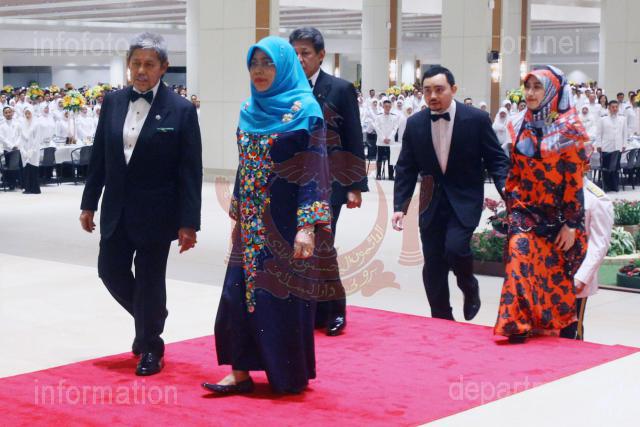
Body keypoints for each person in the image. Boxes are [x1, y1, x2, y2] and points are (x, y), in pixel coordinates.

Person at [204, 36, 330, 395]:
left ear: (285, 66)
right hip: (251, 221)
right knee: (238, 293)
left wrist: (307, 226)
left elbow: (314, 170)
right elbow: (244, 167)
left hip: (286, 222)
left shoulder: (307, 111)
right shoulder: (249, 108)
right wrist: (237, 216)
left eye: (268, 63)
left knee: (280, 296)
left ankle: (287, 375)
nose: (259, 71)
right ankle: (240, 371)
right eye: (254, 63)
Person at [79, 32, 202, 376]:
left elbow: (190, 170)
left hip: (157, 213)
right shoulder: (113, 101)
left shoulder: (181, 109)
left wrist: (189, 222)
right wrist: (89, 203)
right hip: (116, 209)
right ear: (128, 65)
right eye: (136, 63)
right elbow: (100, 156)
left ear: (164, 67)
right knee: (109, 271)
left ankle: (150, 347)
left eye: (149, 64)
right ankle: (152, 317)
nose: (141, 70)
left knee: (150, 280)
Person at [392, 65, 509, 321]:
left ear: (453, 89)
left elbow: (496, 159)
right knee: (433, 262)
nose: (432, 96)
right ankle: (441, 318)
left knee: (455, 248)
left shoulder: (476, 119)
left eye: (439, 89)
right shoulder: (415, 124)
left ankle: (469, 285)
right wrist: (400, 206)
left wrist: (506, 189)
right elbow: (406, 168)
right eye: (427, 91)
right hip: (430, 201)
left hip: (465, 198)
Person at [494, 65, 589, 343]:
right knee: (518, 258)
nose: (531, 93)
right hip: (525, 212)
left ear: (552, 92)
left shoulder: (569, 131)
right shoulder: (518, 124)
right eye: (528, 86)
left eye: (537, 87)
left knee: (553, 277)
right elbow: (514, 171)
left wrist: (571, 224)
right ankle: (515, 324)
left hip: (558, 218)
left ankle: (555, 328)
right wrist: (510, 201)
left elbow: (574, 182)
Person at [290, 27, 368, 336]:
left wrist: (355, 185)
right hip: (293, 180)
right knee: (298, 247)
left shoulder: (340, 89)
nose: (300, 59)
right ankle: (310, 309)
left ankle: (335, 309)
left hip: (329, 181)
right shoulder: (284, 88)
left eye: (305, 53)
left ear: (321, 55)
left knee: (322, 245)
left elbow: (353, 136)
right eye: (295, 53)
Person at [560, 175, 613, 340]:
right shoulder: (553, 189)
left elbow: (599, 244)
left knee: (570, 331)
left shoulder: (596, 199)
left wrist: (581, 278)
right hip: (548, 274)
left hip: (575, 275)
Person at [597, 100, 627, 192]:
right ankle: (606, 186)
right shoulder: (603, 119)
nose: (615, 109)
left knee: (616, 168)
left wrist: (624, 144)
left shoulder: (623, 119)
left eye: (616, 107)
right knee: (606, 168)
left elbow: (625, 133)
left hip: (618, 146)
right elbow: (599, 133)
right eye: (613, 107)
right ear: (609, 108)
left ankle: (615, 186)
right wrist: (598, 145)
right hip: (606, 147)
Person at [17, 107, 41, 194]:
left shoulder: (36, 124)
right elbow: (21, 138)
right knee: (26, 169)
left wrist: (32, 150)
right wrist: (22, 150)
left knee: (33, 168)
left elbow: (37, 139)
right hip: (25, 151)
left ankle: (35, 189)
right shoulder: (22, 125)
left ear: (32, 113)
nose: (27, 115)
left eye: (29, 113)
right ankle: (27, 188)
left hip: (33, 151)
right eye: (26, 113)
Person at [374, 99, 399, 180]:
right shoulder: (378, 116)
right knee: (379, 158)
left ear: (391, 107)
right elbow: (377, 128)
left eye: (389, 106)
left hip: (390, 141)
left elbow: (395, 128)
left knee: (390, 158)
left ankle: (391, 175)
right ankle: (378, 174)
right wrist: (383, 138)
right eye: (386, 106)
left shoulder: (394, 117)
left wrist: (389, 138)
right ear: (383, 106)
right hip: (381, 141)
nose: (387, 108)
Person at [0, 106, 21, 190]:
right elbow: (2, 138)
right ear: (3, 114)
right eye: (6, 113)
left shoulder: (17, 123)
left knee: (15, 167)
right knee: (9, 167)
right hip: (7, 149)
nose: (8, 114)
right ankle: (11, 184)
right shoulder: (1, 125)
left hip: (17, 148)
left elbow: (20, 135)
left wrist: (16, 144)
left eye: (9, 112)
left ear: (12, 113)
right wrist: (11, 146)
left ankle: (16, 183)